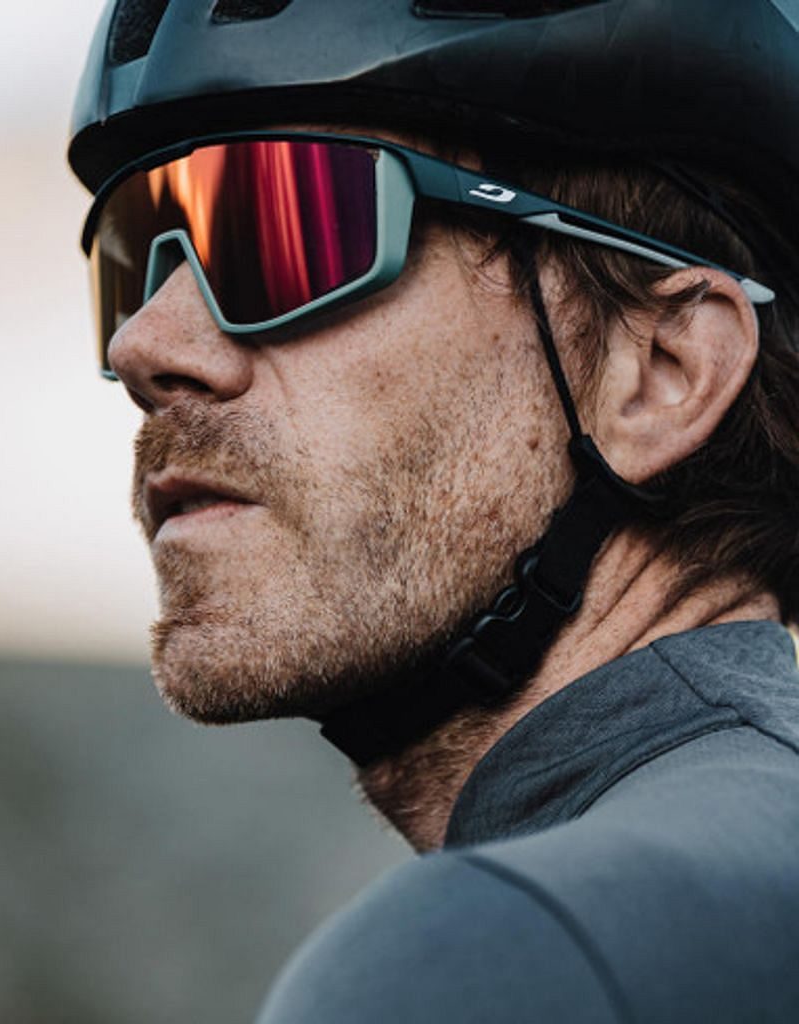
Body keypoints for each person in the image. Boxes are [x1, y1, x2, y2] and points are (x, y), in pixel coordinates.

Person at [68, 0, 799, 1019]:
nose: (144, 343)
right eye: (134, 244)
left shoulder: (508, 953)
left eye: (287, 222)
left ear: (661, 370)